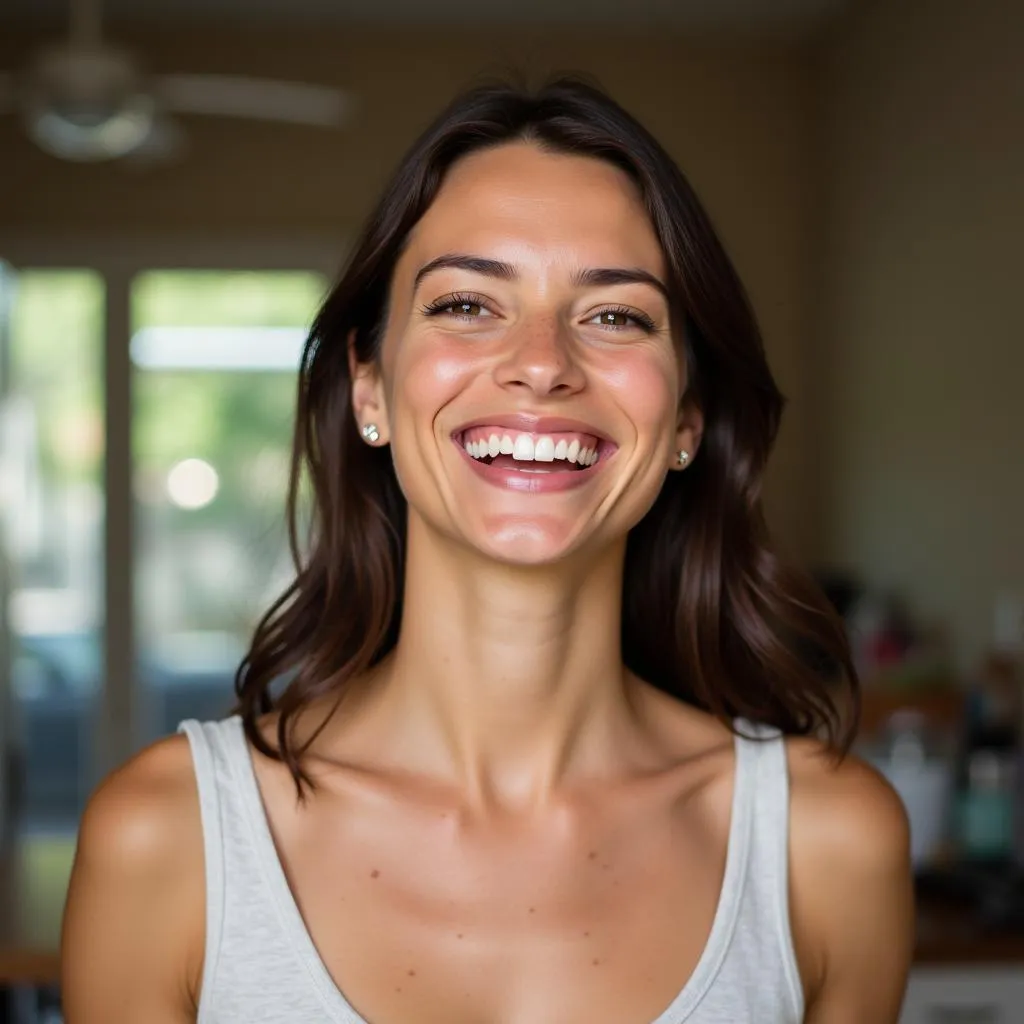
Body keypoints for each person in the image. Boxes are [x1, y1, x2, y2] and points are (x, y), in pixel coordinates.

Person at [60, 78, 913, 1023]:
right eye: (467, 304)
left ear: (688, 417)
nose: (542, 361)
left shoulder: (828, 848)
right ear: (370, 386)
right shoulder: (166, 839)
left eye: (617, 315)